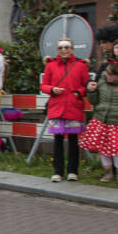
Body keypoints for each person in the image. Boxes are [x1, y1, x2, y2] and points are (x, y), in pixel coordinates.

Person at [40, 37, 89, 182]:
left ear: (72, 48)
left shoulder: (81, 65)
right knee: (58, 139)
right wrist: (52, 89)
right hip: (57, 107)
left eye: (66, 47)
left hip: (73, 106)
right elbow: (43, 85)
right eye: (60, 47)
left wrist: (78, 93)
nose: (63, 50)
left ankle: (73, 171)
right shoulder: (51, 65)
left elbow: (87, 85)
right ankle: (58, 171)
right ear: (57, 50)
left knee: (74, 140)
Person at [81, 62, 118, 182]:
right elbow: (93, 101)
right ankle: (108, 173)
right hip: (101, 120)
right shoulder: (101, 82)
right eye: (107, 74)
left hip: (117, 122)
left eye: (112, 75)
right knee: (103, 149)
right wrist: (92, 92)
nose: (108, 77)